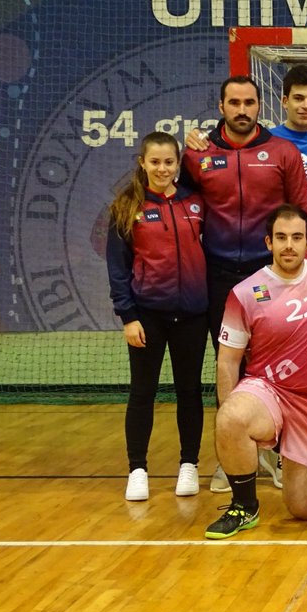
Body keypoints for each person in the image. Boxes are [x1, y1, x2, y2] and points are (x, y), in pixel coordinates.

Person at [180, 75, 307, 493]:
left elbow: (305, 212)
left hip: (270, 273)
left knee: (275, 363)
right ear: (221, 106)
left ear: (260, 106)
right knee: (229, 362)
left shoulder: (282, 151)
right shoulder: (197, 155)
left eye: (249, 102)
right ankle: (233, 455)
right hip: (218, 274)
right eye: (234, 102)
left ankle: (278, 452)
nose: (242, 110)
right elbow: (177, 205)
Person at [204, 205, 307, 539]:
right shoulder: (245, 293)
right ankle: (244, 505)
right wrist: (231, 424)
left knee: (304, 508)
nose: (289, 245)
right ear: (269, 242)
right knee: (232, 417)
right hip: (267, 390)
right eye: (281, 237)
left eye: (297, 237)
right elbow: (227, 361)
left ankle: (306, 463)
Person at [105, 132, 208, 501]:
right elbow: (118, 269)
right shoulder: (126, 206)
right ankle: (137, 469)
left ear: (178, 164)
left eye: (169, 162)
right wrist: (128, 316)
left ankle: (189, 464)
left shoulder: (195, 202)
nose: (162, 169)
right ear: (142, 163)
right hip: (147, 316)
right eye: (155, 162)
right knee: (142, 392)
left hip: (193, 315)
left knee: (190, 391)